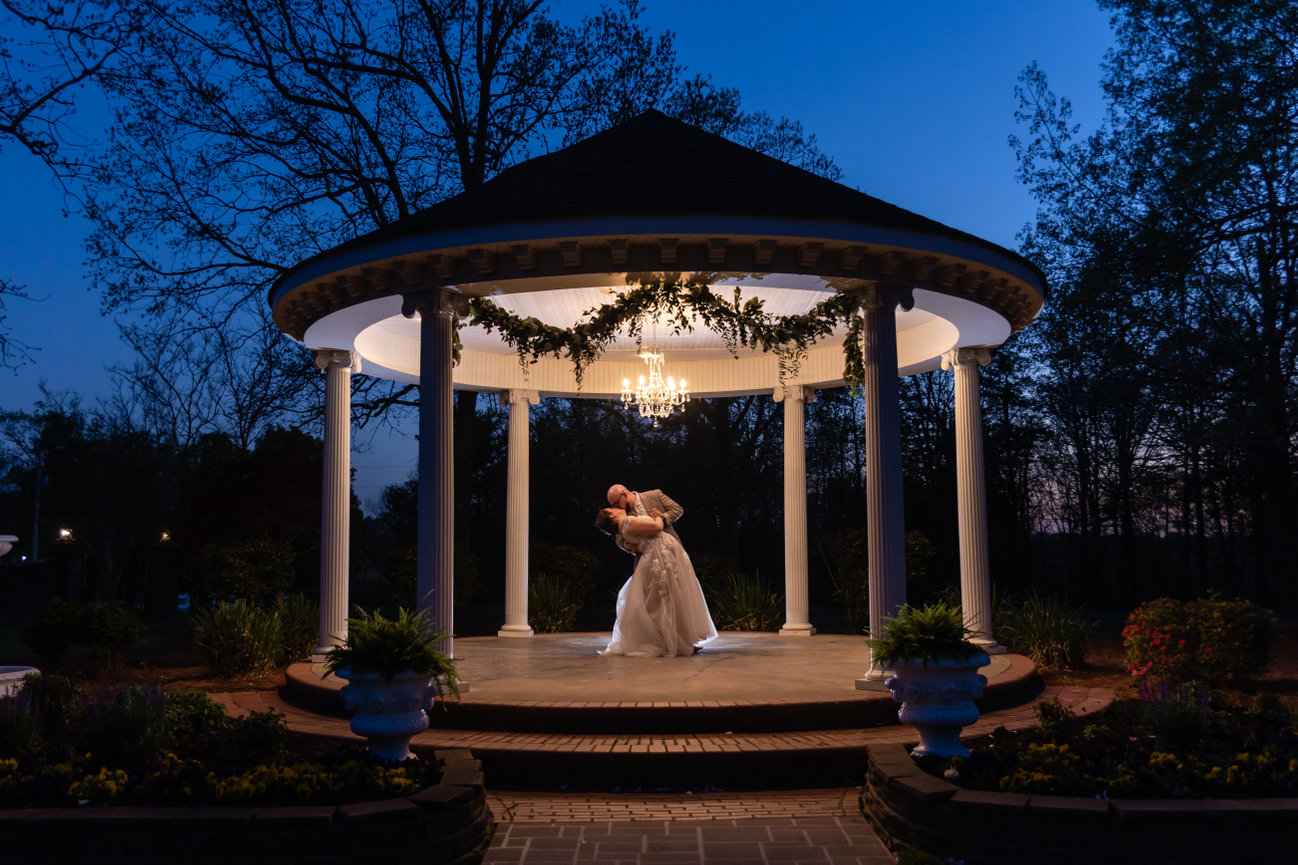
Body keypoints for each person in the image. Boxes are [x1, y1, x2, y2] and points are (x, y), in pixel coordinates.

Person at [594, 506, 717, 658]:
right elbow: (657, 528)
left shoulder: (624, 528)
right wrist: (658, 516)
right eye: (611, 508)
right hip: (659, 556)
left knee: (663, 600)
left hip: (660, 555)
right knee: (667, 599)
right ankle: (673, 640)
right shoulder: (626, 522)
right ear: (611, 515)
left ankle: (674, 639)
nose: (616, 507)